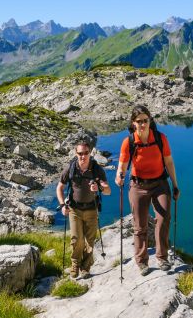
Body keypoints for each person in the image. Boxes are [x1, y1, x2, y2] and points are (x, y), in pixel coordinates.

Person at [115, 105, 180, 276]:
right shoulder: (128, 142)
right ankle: (142, 261)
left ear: (150, 121)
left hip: (160, 184)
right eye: (139, 121)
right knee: (140, 226)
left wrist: (175, 185)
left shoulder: (160, 138)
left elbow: (169, 162)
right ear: (133, 123)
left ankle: (162, 257)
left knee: (164, 217)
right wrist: (119, 176)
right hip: (138, 186)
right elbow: (122, 165)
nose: (143, 124)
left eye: (146, 120)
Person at [56, 140, 111, 279]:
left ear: (90, 152)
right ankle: (75, 265)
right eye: (80, 153)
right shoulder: (71, 168)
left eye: (85, 153)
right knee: (76, 239)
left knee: (89, 240)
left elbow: (108, 191)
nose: (83, 156)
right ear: (76, 153)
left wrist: (99, 188)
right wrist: (63, 205)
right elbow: (60, 187)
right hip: (74, 209)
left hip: (92, 209)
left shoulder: (97, 169)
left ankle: (85, 268)